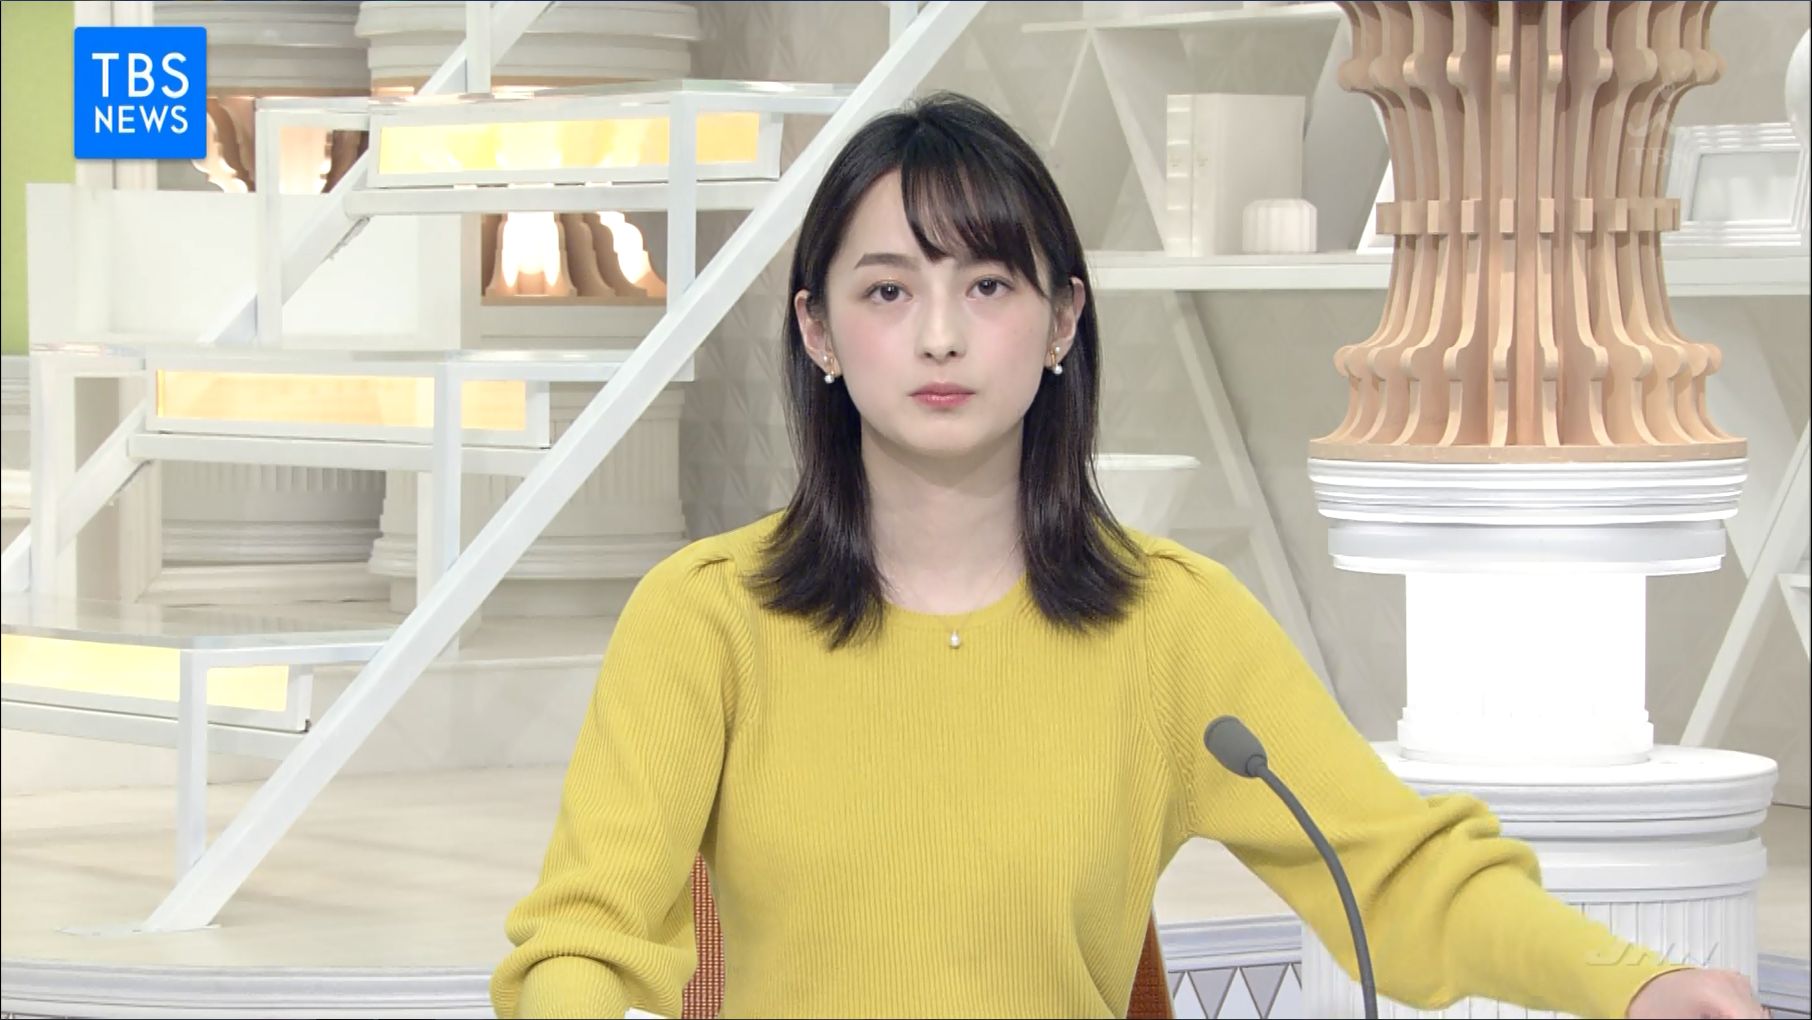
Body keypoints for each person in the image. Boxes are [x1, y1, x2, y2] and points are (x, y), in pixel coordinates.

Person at [488, 92, 1767, 1020]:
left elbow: (1399, 871)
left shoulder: (1171, 624)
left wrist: (1634, 986)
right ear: (818, 333)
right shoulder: (706, 618)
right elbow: (586, 937)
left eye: (988, 286)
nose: (940, 336)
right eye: (887, 291)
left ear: (1062, 320)